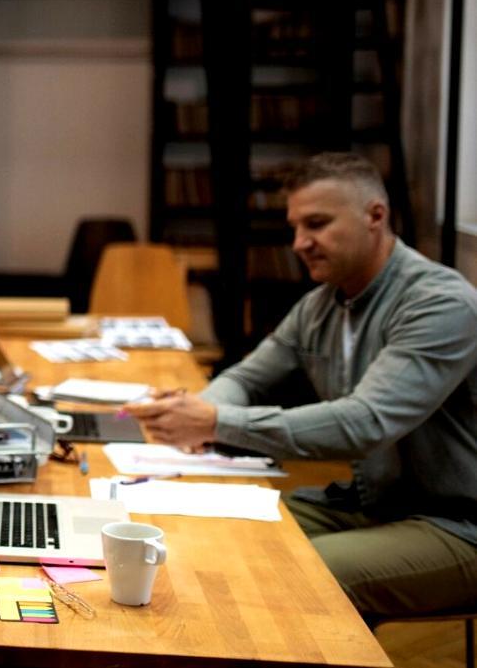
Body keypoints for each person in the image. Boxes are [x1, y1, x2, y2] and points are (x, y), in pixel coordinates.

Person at [124, 153, 477, 620]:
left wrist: (213, 421)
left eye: (316, 224)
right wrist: (197, 413)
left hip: (456, 523)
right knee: (214, 536)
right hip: (371, 502)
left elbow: (364, 424)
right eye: (295, 228)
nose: (300, 243)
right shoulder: (320, 305)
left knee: (294, 576)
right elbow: (246, 378)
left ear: (376, 216)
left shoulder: (440, 304)